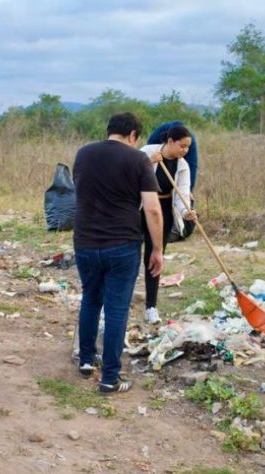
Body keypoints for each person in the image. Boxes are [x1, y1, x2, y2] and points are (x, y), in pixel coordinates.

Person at [73, 112, 164, 394]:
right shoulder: (137, 159)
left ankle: (87, 359)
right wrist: (157, 249)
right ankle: (110, 377)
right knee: (116, 309)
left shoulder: (84, 154)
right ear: (133, 135)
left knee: (90, 298)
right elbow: (152, 208)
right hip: (122, 245)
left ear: (110, 130)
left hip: (85, 241)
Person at [140, 125, 197, 325]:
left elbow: (182, 193)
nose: (185, 151)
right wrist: (147, 163)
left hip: (163, 209)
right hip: (139, 207)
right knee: (128, 253)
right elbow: (127, 176)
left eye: (188, 147)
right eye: (182, 146)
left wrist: (185, 212)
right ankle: (114, 300)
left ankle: (151, 307)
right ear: (170, 141)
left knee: (155, 256)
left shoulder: (182, 165)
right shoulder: (147, 152)